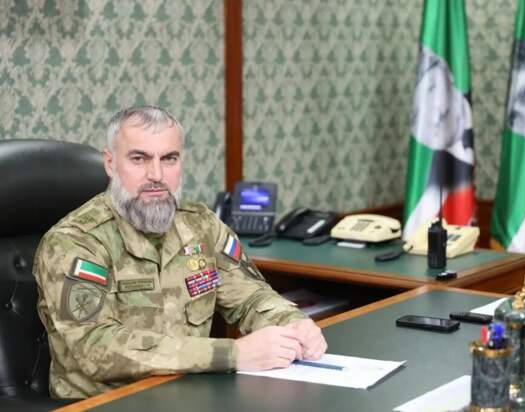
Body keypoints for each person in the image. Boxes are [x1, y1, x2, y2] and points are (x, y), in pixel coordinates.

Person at [33, 106, 327, 399]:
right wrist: (232, 354)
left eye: (169, 158)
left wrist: (292, 323)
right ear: (110, 164)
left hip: (189, 396)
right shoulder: (75, 241)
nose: (156, 174)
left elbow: (251, 297)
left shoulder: (201, 223)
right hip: (105, 403)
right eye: (139, 158)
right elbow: (95, 347)